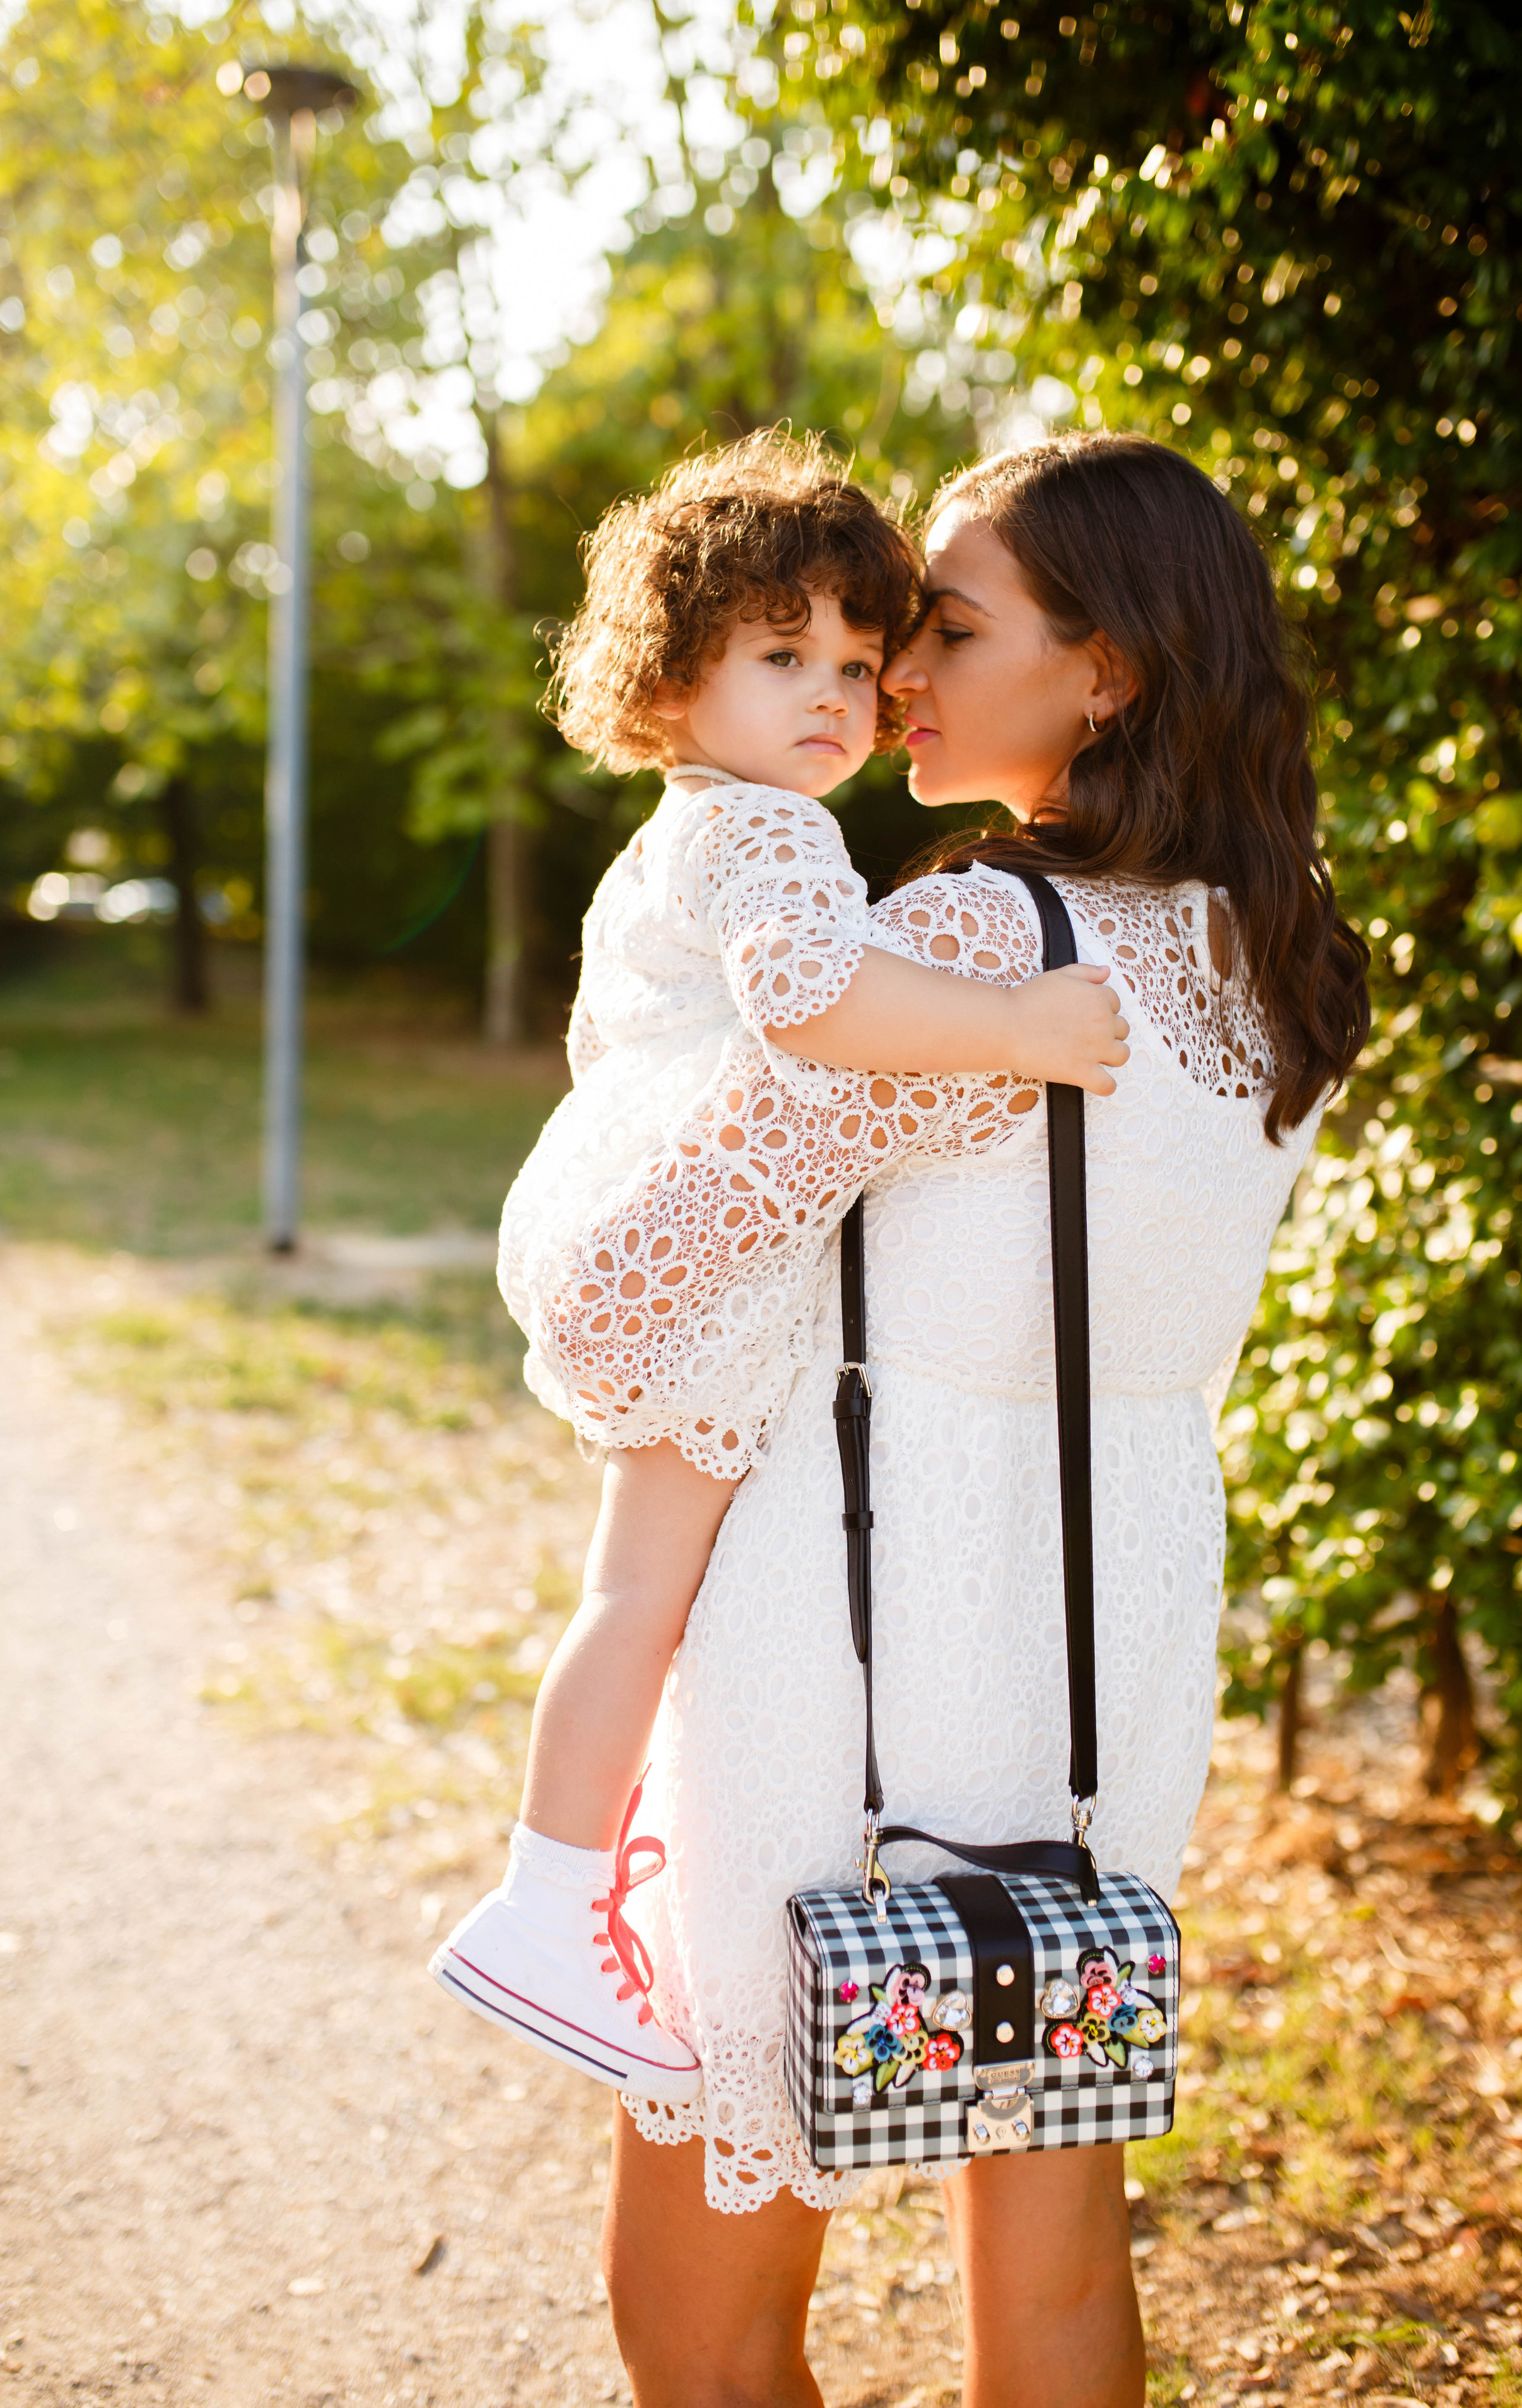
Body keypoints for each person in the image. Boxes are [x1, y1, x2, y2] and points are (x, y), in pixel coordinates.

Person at [523, 431, 1371, 2407]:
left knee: (702, 2308)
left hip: (855, 1644)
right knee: (1056, 2227)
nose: (893, 670)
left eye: (949, 629)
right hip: (1100, 1642)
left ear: (1111, 672)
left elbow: (623, 1297)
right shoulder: (1276, 958)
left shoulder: (989, 945)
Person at [430, 430, 1130, 2104]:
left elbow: (629, 1036)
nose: (834, 696)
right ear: (675, 682)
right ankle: (545, 1902)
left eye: (857, 662)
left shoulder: (674, 833)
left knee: (638, 1595)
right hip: (681, 1264)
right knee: (646, 1603)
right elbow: (821, 1006)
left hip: (628, 1233)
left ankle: (565, 1894)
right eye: (779, 656)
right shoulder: (773, 841)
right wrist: (1018, 1023)